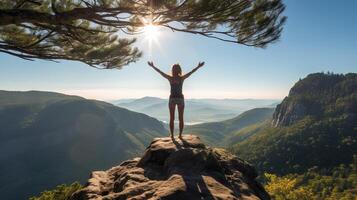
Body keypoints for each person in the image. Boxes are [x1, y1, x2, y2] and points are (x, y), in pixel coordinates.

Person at [148, 61, 205, 138]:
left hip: (172, 99)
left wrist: (153, 66)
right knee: (180, 118)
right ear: (179, 70)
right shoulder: (181, 78)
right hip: (180, 99)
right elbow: (191, 73)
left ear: (174, 70)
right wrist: (198, 67)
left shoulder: (170, 78)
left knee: (172, 118)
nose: (174, 70)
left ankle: (172, 135)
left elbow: (161, 73)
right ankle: (180, 135)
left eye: (174, 68)